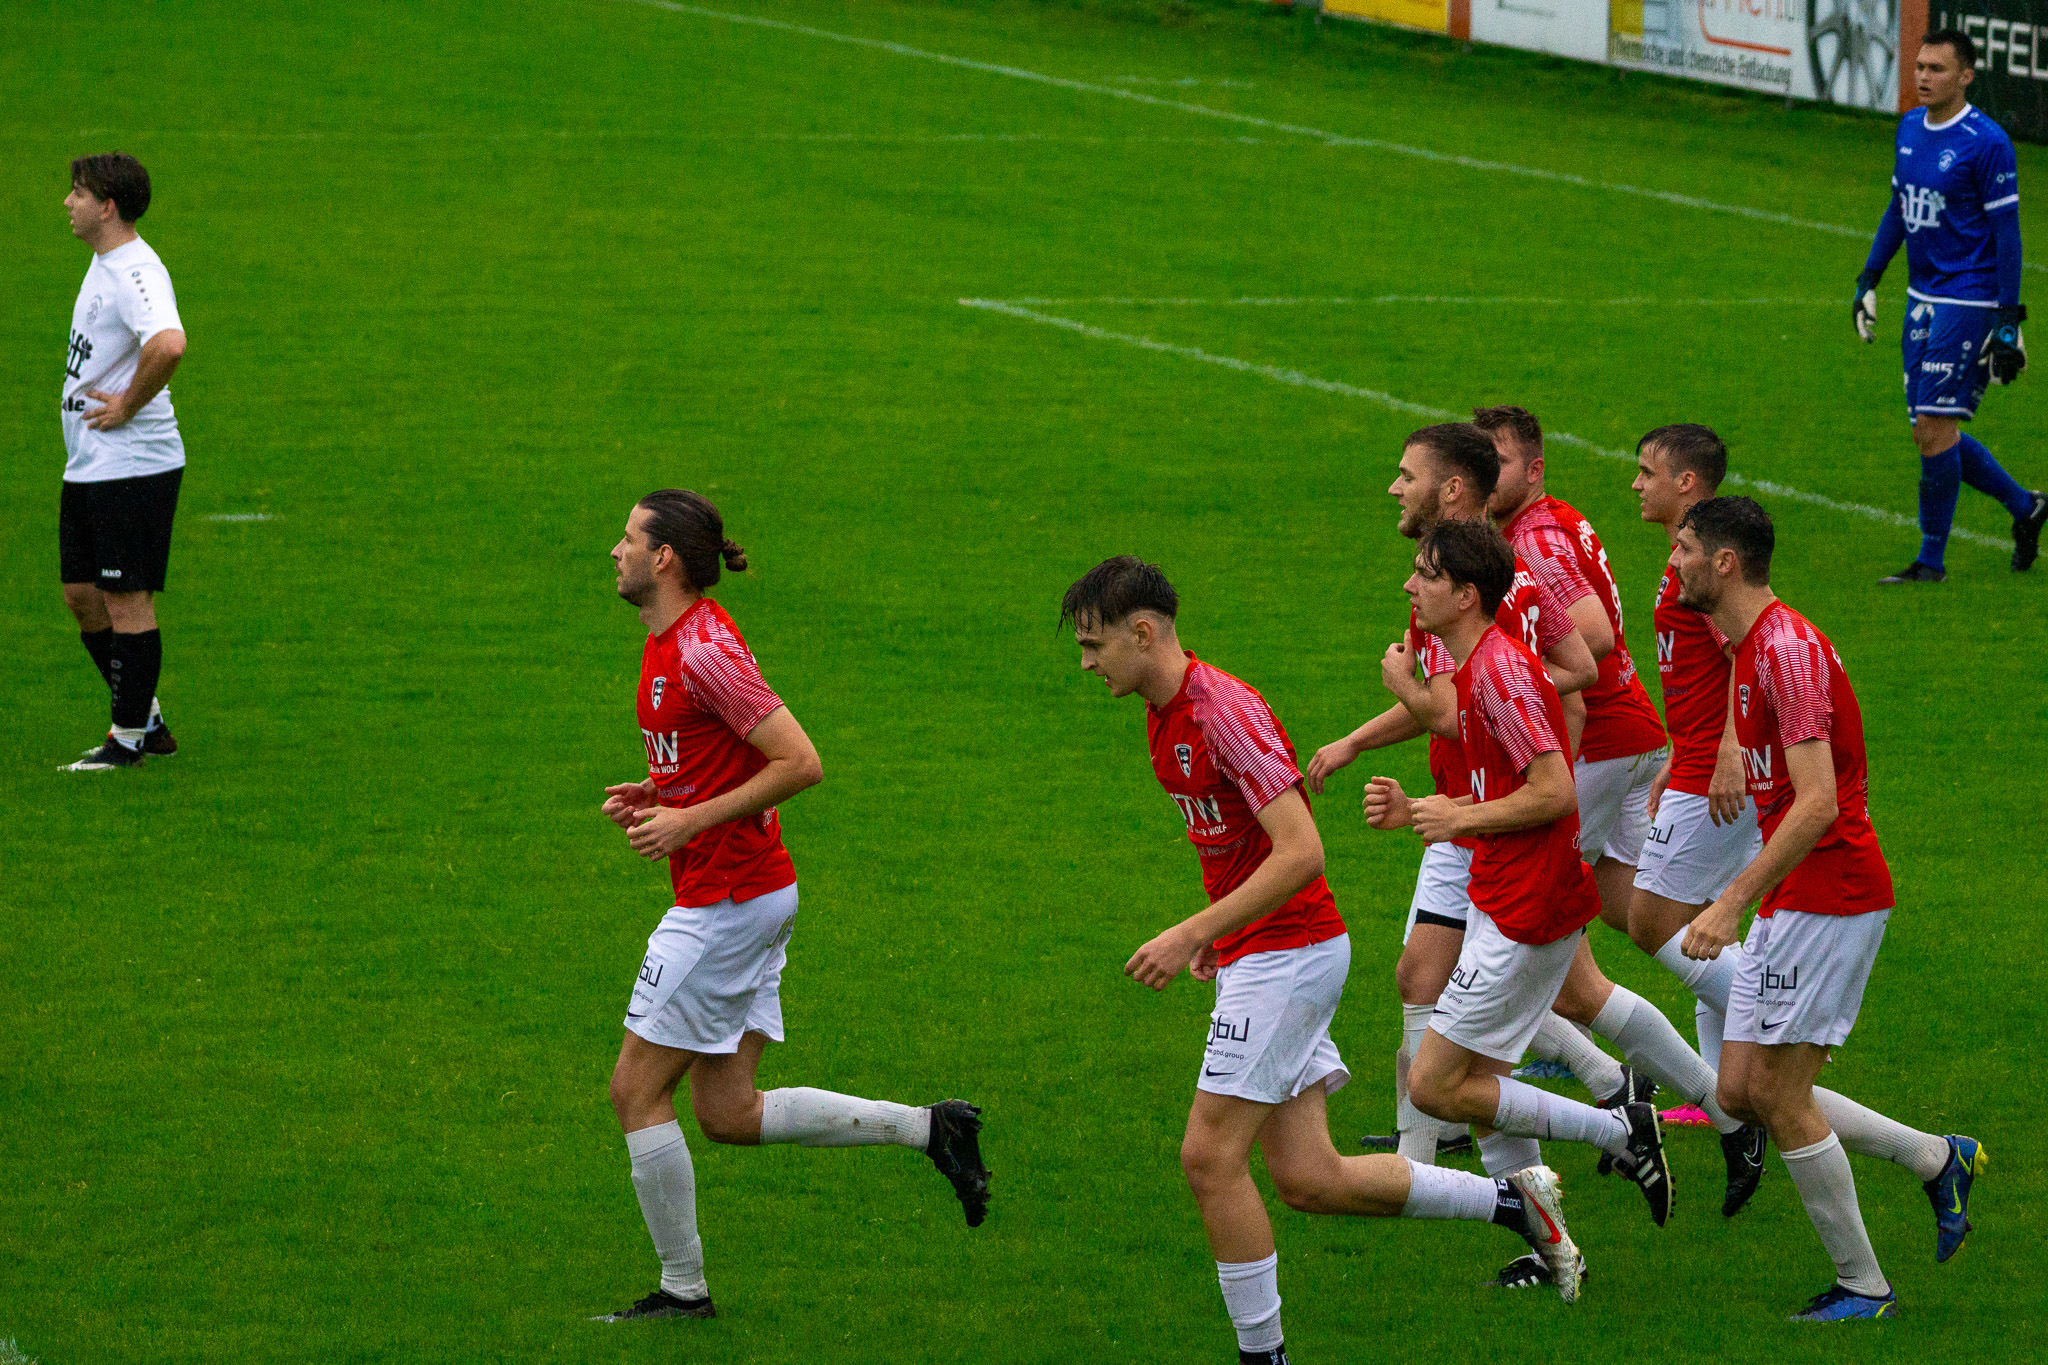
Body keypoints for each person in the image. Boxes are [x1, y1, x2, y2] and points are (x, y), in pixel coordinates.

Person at [1065, 555, 1586, 1361]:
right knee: (1311, 1178)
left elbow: (1302, 850)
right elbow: (1239, 848)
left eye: (1094, 644)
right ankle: (1515, 1204)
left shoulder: (1219, 711)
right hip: (1264, 949)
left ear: (1142, 632)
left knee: (1208, 1158)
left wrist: (1194, 931)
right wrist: (1224, 934)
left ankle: (1263, 1354)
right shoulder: (1164, 713)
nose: (1087, 662)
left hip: (1290, 951)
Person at [594, 490, 989, 1324]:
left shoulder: (702, 650)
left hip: (726, 901)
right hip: (748, 891)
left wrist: (688, 820)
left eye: (628, 538)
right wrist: (663, 791)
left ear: (664, 558)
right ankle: (934, 1129)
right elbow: (720, 753)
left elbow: (800, 761)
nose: (614, 551)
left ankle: (683, 1291)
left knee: (635, 1090)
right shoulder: (670, 639)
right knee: (728, 1112)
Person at [1672, 496, 1985, 1321]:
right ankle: (1936, 1157)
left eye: (1685, 548)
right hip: (1796, 893)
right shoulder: (1751, 643)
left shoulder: (1787, 651)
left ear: (1726, 563)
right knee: (1739, 1088)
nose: (1673, 562)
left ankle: (1863, 1285)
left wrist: (1729, 901)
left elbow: (1818, 804)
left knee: (1778, 1096)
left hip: (1832, 891)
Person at [1307, 423, 1608, 1181]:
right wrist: (1391, 767)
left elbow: (1543, 697)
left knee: (1516, 1019)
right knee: (1451, 1005)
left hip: (1497, 836)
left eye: (1406, 476)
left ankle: (1620, 1113)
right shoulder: (1469, 585)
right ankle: (1467, 1171)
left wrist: (1454, 764)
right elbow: (1484, 699)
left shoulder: (1484, 619)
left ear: (1449, 489)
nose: (1394, 488)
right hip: (1472, 818)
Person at [1367, 521, 1674, 1232]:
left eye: (1426, 574)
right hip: (1503, 894)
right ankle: (1549, 1242)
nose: (1410, 585)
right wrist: (1419, 811)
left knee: (1434, 1084)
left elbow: (1555, 791)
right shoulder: (1480, 668)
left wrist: (1459, 817)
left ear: (1466, 595)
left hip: (1526, 906)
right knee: (1481, 1084)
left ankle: (1620, 1127)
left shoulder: (1500, 672)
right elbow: (1506, 781)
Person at [1479, 406, 1738, 1195]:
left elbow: (1591, 639)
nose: (1635, 484)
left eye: (1495, 462)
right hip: (1640, 742)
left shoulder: (1536, 539)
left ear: (1532, 469)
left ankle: (1585, 1087)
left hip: (1598, 746)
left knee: (1523, 933)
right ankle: (1719, 1071)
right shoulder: (1557, 523)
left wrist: (1495, 682)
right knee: (1642, 915)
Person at [1627, 424, 1771, 1213]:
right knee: (1696, 921)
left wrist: (1727, 748)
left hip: (1716, 772)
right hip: (1693, 762)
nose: (1637, 484)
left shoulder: (1708, 563)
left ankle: (1766, 1015)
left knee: (1653, 921)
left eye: (1649, 472)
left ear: (1688, 481)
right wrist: (1683, 749)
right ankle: (1728, 1091)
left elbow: (1746, 645)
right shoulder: (1687, 554)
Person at [1854, 27, 2047, 582]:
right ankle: (2026, 506)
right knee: (1930, 431)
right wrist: (1869, 278)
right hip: (1921, 296)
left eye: (1937, 69)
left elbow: (2007, 235)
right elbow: (1899, 208)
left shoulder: (1988, 143)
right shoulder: (1910, 127)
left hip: (1968, 297)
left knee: (1933, 428)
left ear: (1966, 76)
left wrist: (2007, 321)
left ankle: (1930, 562)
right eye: (1920, 66)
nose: (1923, 77)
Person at [59, 152, 186, 770]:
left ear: (107, 207)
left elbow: (169, 344)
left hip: (132, 464)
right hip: (91, 462)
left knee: (126, 598)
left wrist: (128, 405)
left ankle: (127, 741)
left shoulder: (137, 274)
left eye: (78, 193)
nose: (68, 202)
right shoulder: (104, 260)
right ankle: (148, 719)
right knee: (82, 595)